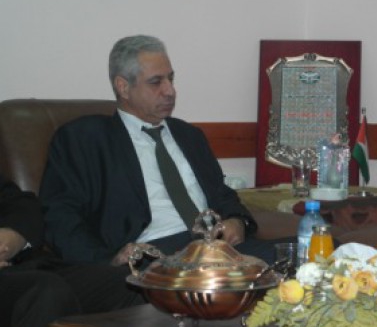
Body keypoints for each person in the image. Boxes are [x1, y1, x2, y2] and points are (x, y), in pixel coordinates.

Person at [40, 34, 286, 269]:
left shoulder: (189, 136)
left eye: (171, 79)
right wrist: (108, 262)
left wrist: (237, 221)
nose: (170, 91)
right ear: (123, 87)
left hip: (216, 248)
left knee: (299, 256)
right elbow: (60, 217)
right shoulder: (85, 139)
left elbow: (222, 195)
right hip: (154, 254)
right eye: (156, 82)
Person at [0, 175, 142, 327]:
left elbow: (22, 204)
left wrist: (13, 236)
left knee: (129, 284)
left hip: (27, 266)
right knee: (48, 292)